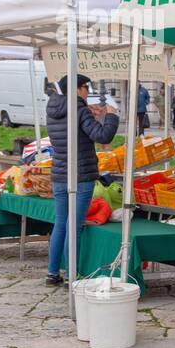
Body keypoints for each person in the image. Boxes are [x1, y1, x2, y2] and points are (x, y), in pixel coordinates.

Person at [45, 74, 119, 286]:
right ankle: (71, 274)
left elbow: (79, 132)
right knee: (73, 226)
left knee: (60, 223)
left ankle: (52, 273)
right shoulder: (79, 110)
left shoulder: (54, 109)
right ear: (77, 89)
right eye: (86, 87)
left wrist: (90, 115)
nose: (88, 92)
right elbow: (103, 136)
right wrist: (111, 116)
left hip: (59, 173)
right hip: (81, 174)